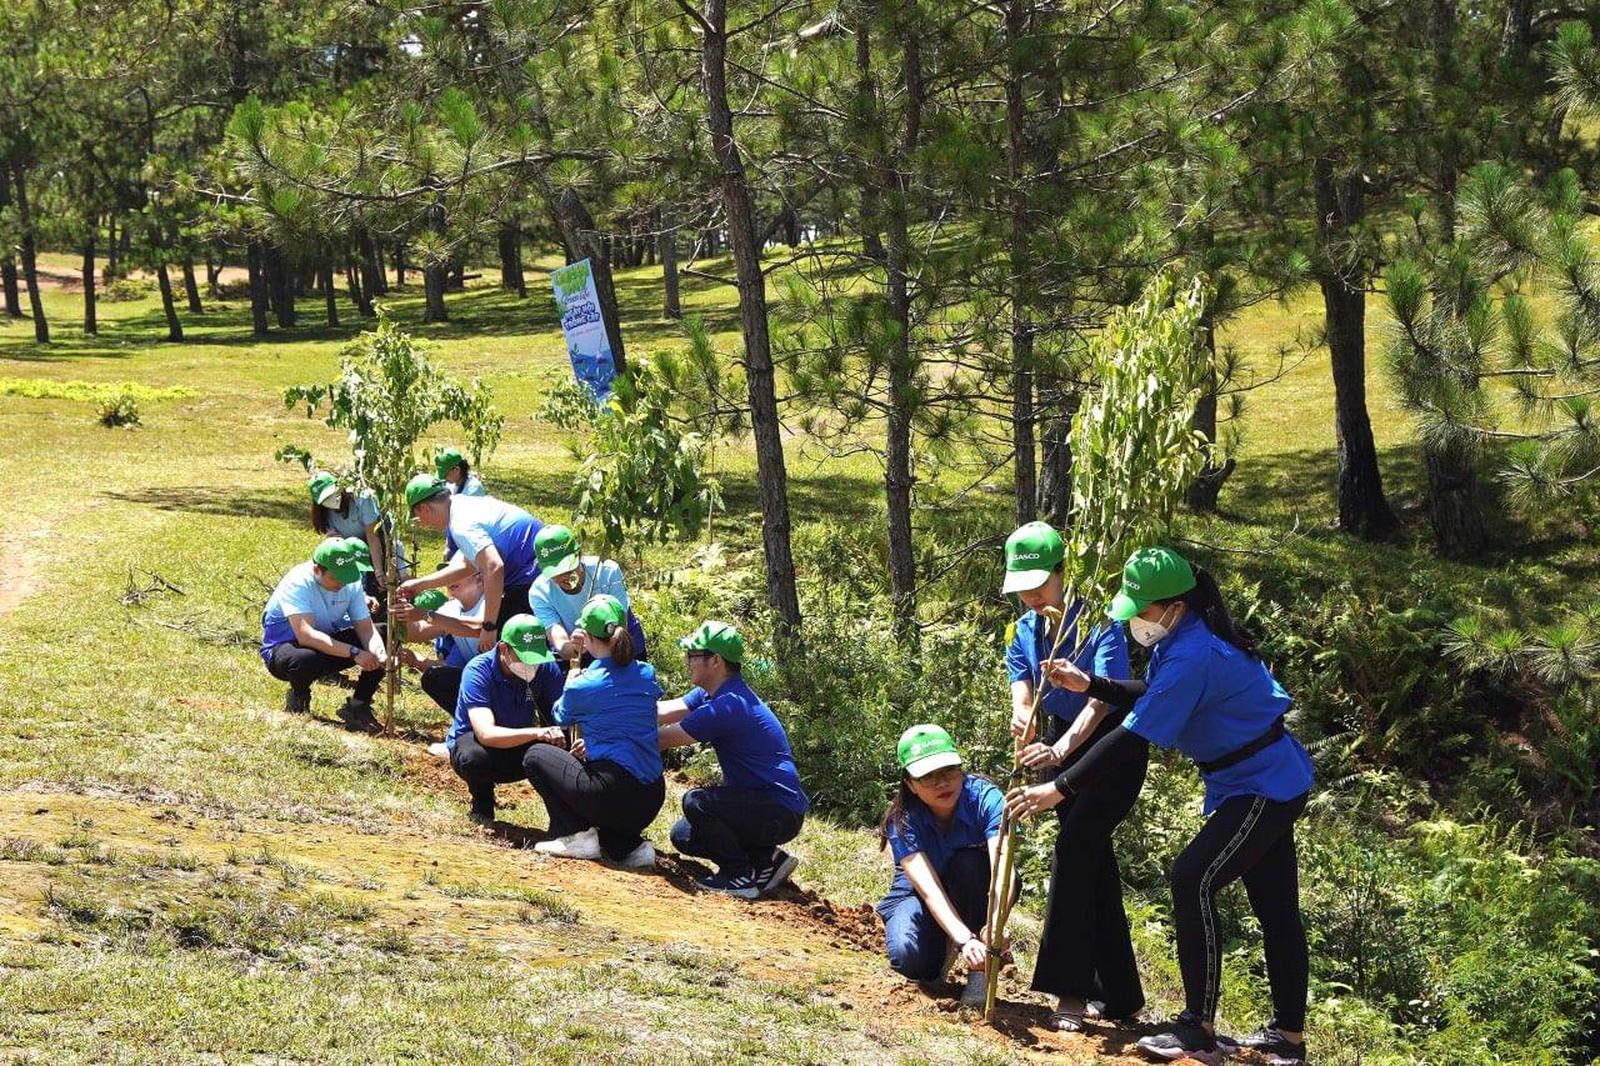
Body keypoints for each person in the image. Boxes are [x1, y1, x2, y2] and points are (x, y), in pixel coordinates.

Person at [1006, 547, 1315, 1066]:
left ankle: (1198, 1030)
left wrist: (1058, 787)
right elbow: (1151, 690)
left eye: (1143, 611)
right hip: (1259, 778)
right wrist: (1091, 684)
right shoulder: (1182, 637)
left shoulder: (1194, 653)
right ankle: (1288, 1039)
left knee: (1193, 878)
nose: (1136, 622)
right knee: (1276, 907)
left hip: (1263, 784)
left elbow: (1131, 735)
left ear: (1175, 605)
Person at [1001, 521, 1147, 1032]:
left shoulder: (1100, 622)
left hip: (1110, 746)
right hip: (1057, 743)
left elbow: (1102, 701)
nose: (1032, 597)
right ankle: (1121, 995)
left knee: (1075, 847)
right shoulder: (1026, 629)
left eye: (1040, 585)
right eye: (1023, 589)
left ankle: (1070, 989)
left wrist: (1060, 751)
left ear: (1064, 573)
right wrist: (1024, 719)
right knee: (1092, 860)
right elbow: (1022, 687)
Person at [657, 621, 808, 899]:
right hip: (767, 806)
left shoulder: (729, 705)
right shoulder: (714, 692)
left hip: (778, 809)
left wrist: (608, 735)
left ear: (715, 660)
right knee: (684, 834)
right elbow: (664, 711)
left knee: (696, 802)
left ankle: (738, 876)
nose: (688, 661)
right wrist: (617, 707)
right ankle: (766, 860)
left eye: (693, 655)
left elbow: (662, 739)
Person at [878, 724, 1014, 1010]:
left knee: (969, 863)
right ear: (910, 784)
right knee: (910, 960)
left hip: (974, 888)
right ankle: (947, 947)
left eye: (949, 771)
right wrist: (963, 939)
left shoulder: (987, 800)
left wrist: (996, 922)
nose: (942, 783)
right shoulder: (902, 820)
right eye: (928, 776)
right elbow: (929, 890)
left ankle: (980, 971)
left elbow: (1003, 870)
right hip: (918, 893)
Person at [526, 595, 664, 869]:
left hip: (613, 791)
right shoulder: (647, 672)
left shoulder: (584, 684)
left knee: (536, 755)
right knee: (601, 776)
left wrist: (570, 682)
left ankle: (575, 835)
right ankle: (630, 846)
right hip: (652, 796)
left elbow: (560, 716)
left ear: (587, 638)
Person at [446, 614, 566, 825]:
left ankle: (563, 822)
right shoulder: (478, 671)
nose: (532, 665)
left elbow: (563, 717)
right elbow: (486, 733)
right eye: (524, 658)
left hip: (521, 745)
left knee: (562, 749)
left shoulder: (546, 669)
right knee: (473, 758)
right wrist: (537, 733)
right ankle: (482, 806)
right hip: (482, 747)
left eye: (536, 658)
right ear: (503, 649)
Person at [399, 475, 543, 649]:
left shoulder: (461, 525)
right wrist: (420, 584)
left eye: (418, 517)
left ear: (425, 508)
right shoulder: (463, 504)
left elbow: (493, 567)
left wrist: (489, 626)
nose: (423, 524)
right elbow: (468, 566)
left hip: (530, 576)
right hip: (535, 569)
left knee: (507, 646)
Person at [260, 537, 387, 733]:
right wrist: (354, 652)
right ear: (317, 570)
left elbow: (366, 629)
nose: (342, 583)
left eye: (346, 577)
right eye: (336, 578)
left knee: (383, 633)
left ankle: (358, 705)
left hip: (327, 643)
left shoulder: (350, 582)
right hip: (286, 648)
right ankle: (299, 697)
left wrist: (380, 654)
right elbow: (306, 635)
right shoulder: (298, 582)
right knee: (304, 658)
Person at [529, 524, 648, 665]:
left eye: (568, 567)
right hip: (582, 649)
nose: (563, 576)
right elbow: (558, 638)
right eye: (555, 572)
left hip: (619, 638)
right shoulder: (539, 592)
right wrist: (574, 648)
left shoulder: (607, 571)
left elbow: (621, 625)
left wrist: (600, 647)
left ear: (579, 555)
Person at [394, 559, 485, 717]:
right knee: (433, 678)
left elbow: (478, 629)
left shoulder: (490, 603)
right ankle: (468, 722)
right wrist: (404, 610)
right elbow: (417, 633)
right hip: (475, 677)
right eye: (447, 575)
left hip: (501, 681)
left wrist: (426, 615)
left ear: (479, 577)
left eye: (457, 574)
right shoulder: (451, 607)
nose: (450, 579)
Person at [307, 472, 405, 600]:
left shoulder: (363, 498)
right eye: (325, 499)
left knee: (386, 585)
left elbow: (372, 536)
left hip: (377, 545)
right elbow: (336, 544)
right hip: (351, 551)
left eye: (332, 494)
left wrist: (379, 572)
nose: (331, 500)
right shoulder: (324, 514)